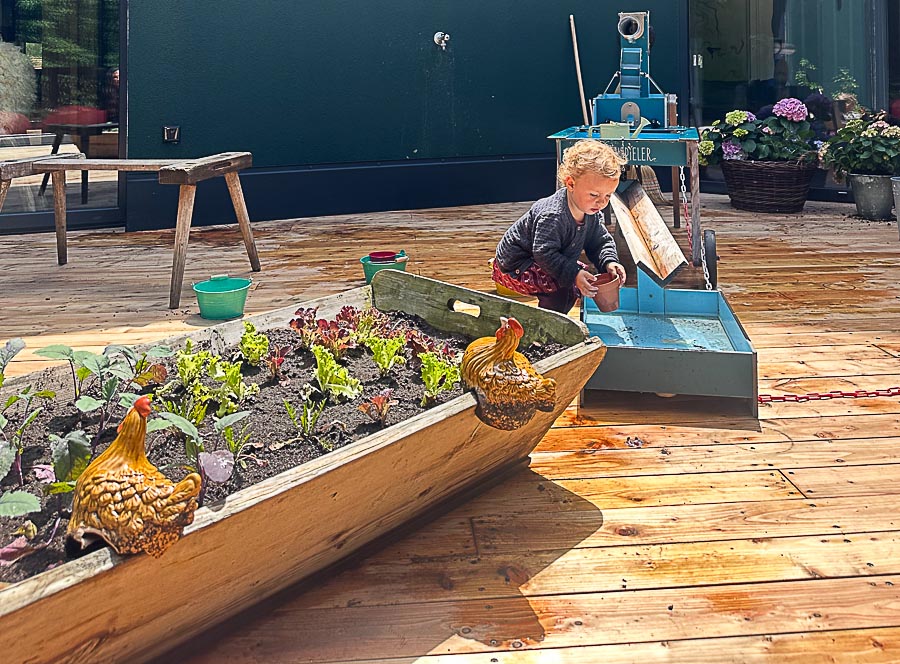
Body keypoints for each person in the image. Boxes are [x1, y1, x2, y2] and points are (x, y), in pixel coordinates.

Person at [492, 139, 627, 313]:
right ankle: (548, 326)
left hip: (541, 258)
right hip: (516, 266)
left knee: (583, 276)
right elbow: (543, 253)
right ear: (570, 184)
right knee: (561, 290)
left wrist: (609, 262)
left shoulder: (590, 211)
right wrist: (574, 274)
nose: (601, 202)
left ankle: (561, 314)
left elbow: (600, 241)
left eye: (608, 195)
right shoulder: (553, 215)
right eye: (594, 194)